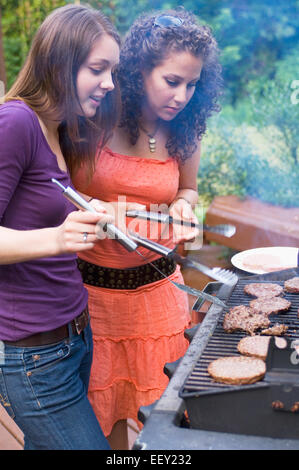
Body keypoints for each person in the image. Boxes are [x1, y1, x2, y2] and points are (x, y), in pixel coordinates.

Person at [73, 7, 222, 449]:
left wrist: (182, 204)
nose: (182, 96)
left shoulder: (188, 129)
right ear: (139, 71)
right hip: (94, 298)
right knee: (106, 418)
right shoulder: (95, 117)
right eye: (171, 81)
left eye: (192, 84)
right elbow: (57, 192)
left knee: (162, 421)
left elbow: (190, 190)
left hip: (159, 296)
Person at [0, 4, 122, 450]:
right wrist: (57, 237)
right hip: (34, 356)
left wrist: (92, 208)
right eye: (98, 69)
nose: (110, 83)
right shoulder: (15, 122)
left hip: (74, 337)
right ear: (59, 62)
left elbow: (35, 206)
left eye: (113, 71)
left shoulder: (57, 128)